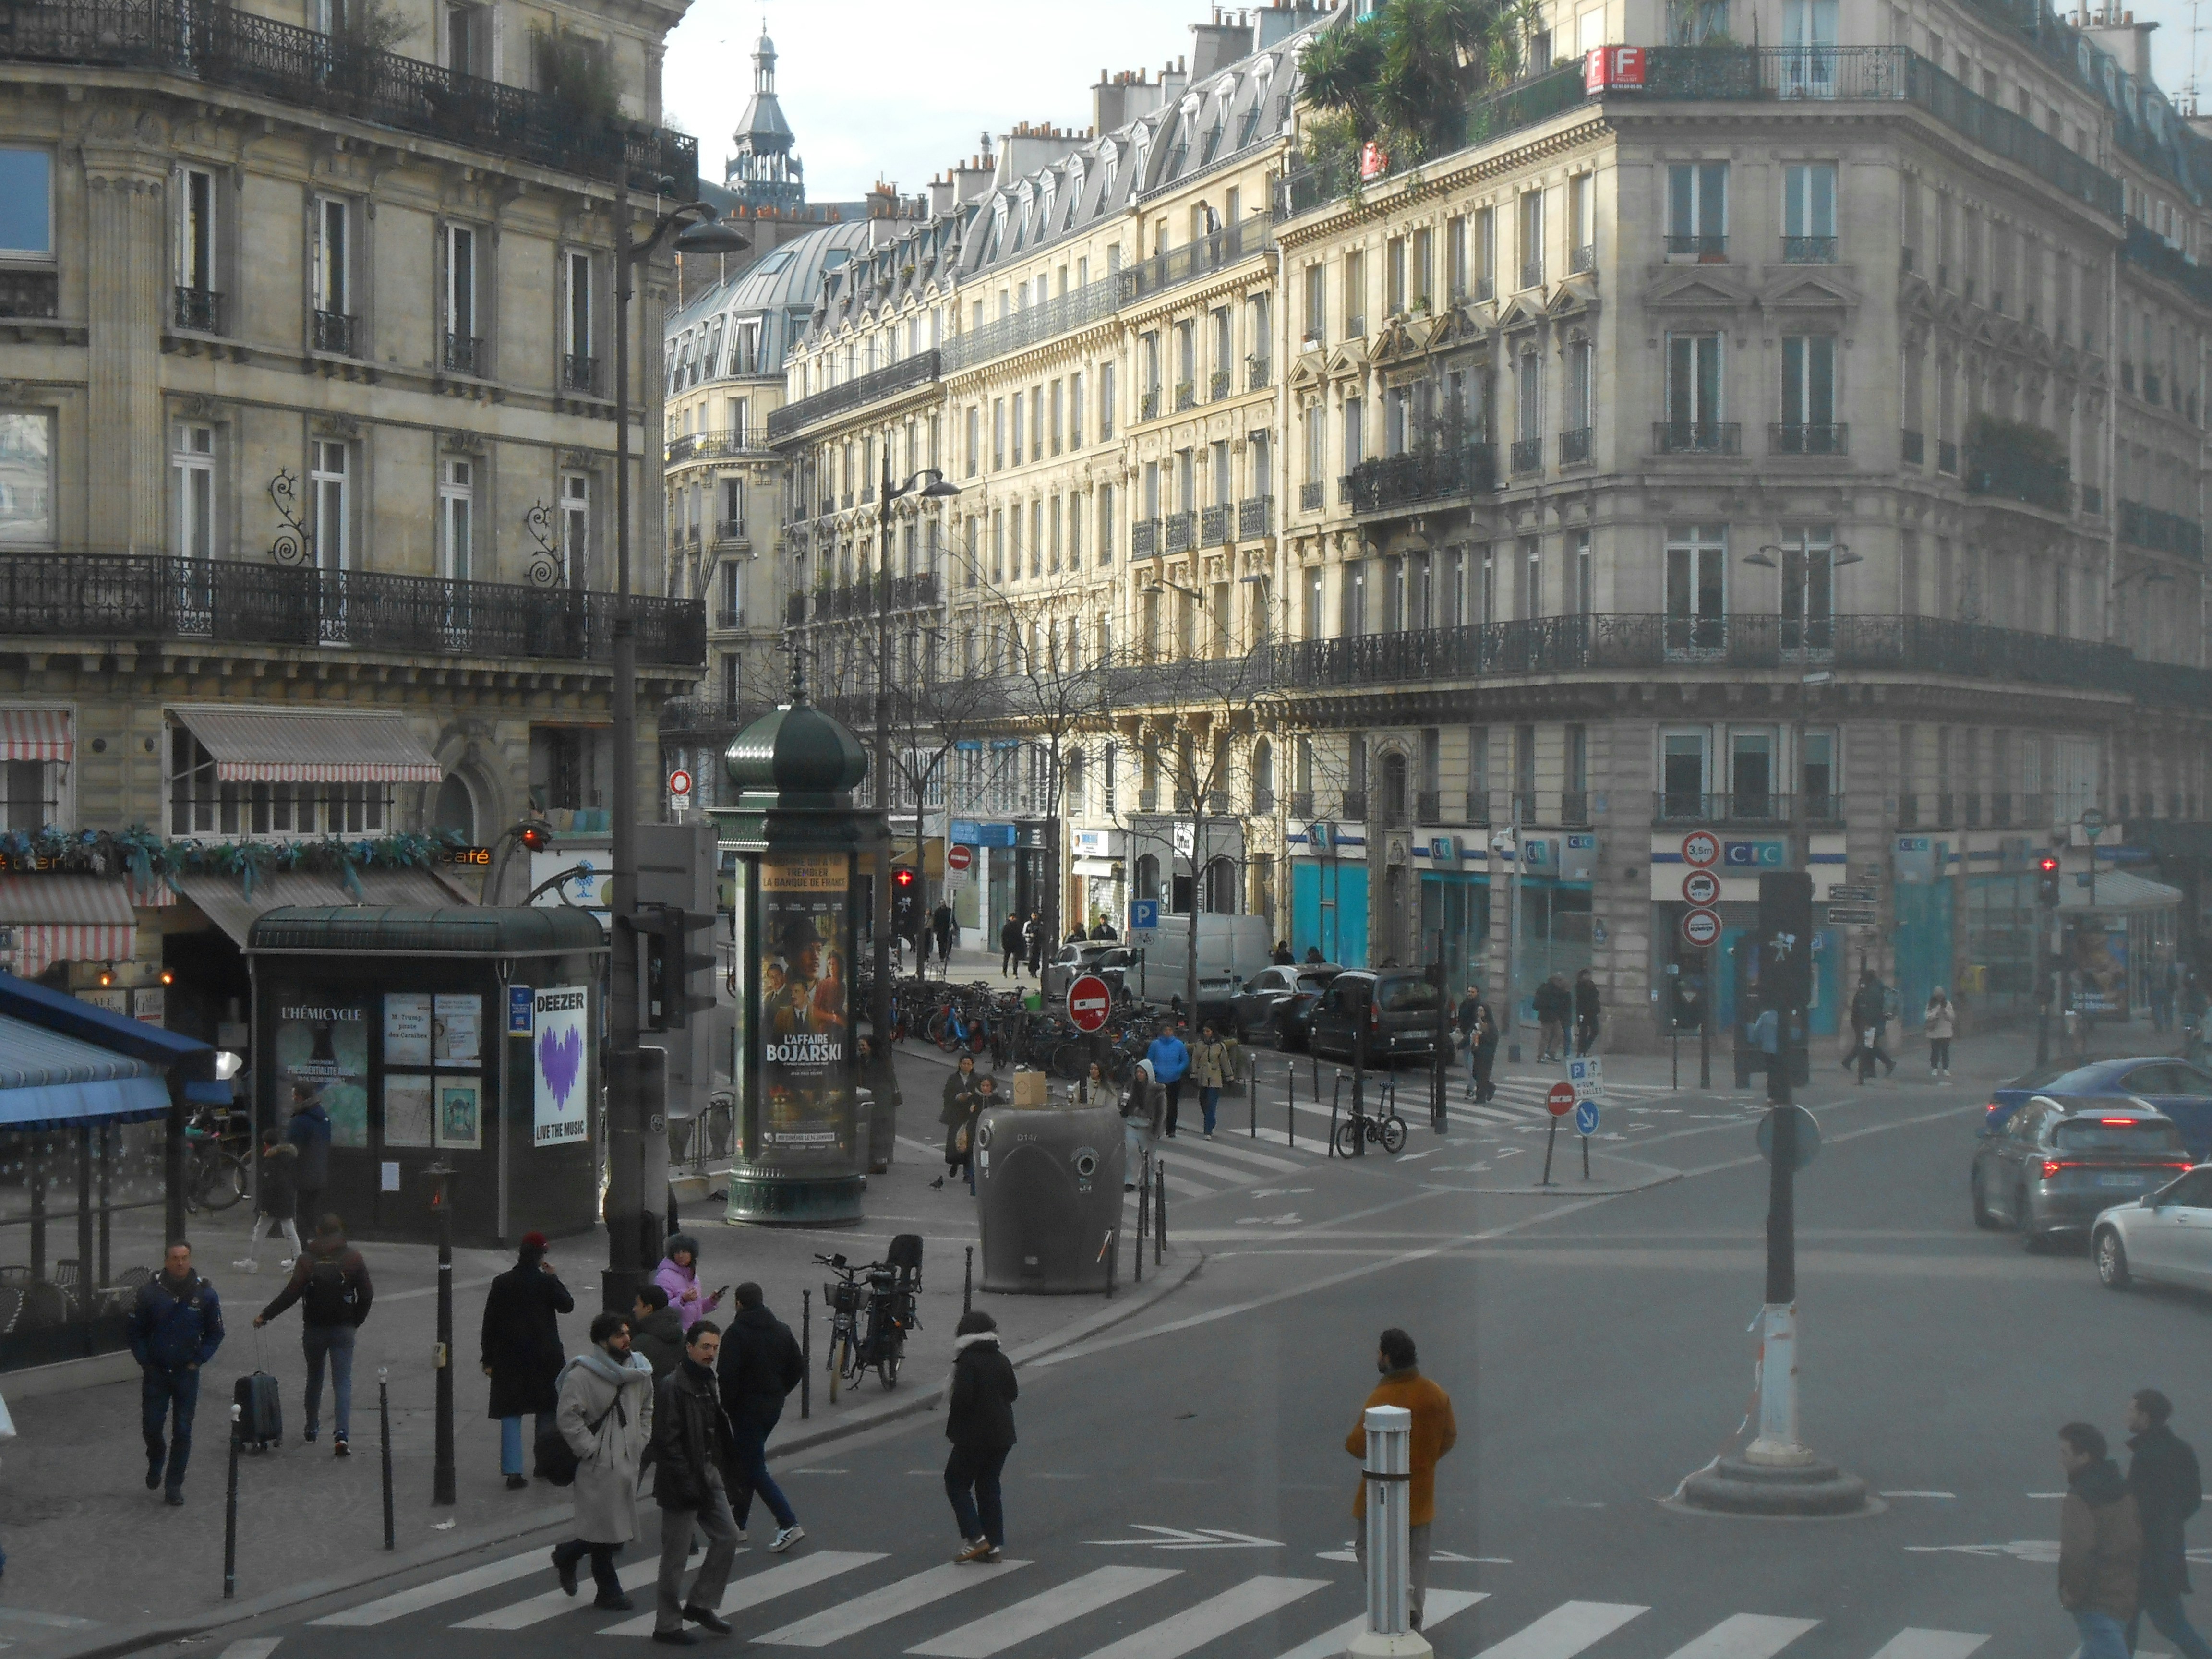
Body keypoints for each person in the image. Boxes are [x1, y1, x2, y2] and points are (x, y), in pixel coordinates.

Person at [1344, 1328, 1456, 1632]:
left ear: (1389, 1358)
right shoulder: (1435, 1394)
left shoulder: (1382, 1397)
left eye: (1380, 1352)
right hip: (1421, 1494)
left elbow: (1356, 1445)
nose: (1377, 1357)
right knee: (1417, 1558)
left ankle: (1391, 1598)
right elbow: (1449, 1437)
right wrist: (1425, 1459)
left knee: (1367, 1547)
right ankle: (1413, 1613)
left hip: (1380, 1493)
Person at [551, 1311, 656, 1611]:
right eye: (618, 1335)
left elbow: (648, 1404)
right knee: (606, 1528)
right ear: (601, 1341)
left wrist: (642, 1437)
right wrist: (590, 1449)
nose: (626, 1340)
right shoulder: (582, 1375)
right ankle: (608, 1590)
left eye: (627, 1333)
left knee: (612, 1527)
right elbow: (568, 1417)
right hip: (599, 1463)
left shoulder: (640, 1370)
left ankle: (568, 1555)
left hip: (628, 1459)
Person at [649, 1321, 744, 1645]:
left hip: (707, 1473)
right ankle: (667, 1624)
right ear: (689, 1347)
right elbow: (667, 1440)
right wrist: (686, 1483)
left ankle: (701, 1603)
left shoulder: (707, 1382)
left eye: (715, 1348)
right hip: (681, 1480)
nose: (711, 1354)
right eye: (706, 1347)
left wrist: (721, 1470)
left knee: (728, 1536)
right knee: (675, 1556)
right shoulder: (672, 1386)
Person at [252, 1212, 373, 1453]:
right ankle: (341, 1435)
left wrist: (266, 1315)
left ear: (318, 1232)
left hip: (315, 1328)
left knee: (315, 1378)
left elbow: (291, 1294)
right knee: (342, 1382)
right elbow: (367, 1295)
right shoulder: (353, 1258)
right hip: (343, 1328)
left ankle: (311, 1427)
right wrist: (355, 1321)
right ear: (340, 1232)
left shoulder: (307, 1260)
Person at [128, 1241, 224, 1506]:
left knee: (182, 1429)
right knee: (151, 1425)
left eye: (184, 1258)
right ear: (167, 1261)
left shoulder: (205, 1295)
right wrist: (145, 1360)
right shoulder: (150, 1293)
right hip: (156, 1372)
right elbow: (135, 1331)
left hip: (186, 1373)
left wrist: (199, 1359)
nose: (180, 1263)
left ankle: (174, 1484)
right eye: (175, 1258)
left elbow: (216, 1333)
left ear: (190, 1260)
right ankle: (156, 1457)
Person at [715, 1283, 805, 1553]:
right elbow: (797, 1367)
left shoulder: (736, 1333)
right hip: (772, 1407)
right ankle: (737, 1525)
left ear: (739, 1303)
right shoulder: (782, 1330)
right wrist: (780, 1392)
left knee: (754, 1468)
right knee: (747, 1463)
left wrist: (729, 1407)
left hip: (745, 1410)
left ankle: (788, 1523)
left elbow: (727, 1377)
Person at [481, 1232, 575, 1490]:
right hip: (545, 1356)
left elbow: (489, 1324)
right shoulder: (546, 1283)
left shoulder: (501, 1283)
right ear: (541, 1256)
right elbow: (568, 1306)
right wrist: (554, 1278)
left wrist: (488, 1358)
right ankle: (543, 1464)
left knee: (511, 1413)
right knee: (546, 1410)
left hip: (509, 1356)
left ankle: (513, 1472)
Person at [2125, 1389, 2212, 1659]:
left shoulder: (2147, 1456)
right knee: (2137, 1621)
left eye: (2132, 1409)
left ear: (2146, 1416)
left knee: (2166, 1622)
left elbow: (2136, 1506)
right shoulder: (2181, 1450)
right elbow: (2192, 1500)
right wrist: (2170, 1521)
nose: (2127, 1414)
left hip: (2147, 1556)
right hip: (2165, 1551)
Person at [2059, 1419, 2142, 1659]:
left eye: (2065, 1452)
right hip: (2123, 1596)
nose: (2061, 1460)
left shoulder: (2079, 1498)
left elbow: (2077, 1553)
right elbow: (2135, 1539)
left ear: (2084, 1456)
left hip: (2095, 1601)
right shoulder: (2122, 1490)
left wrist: (2072, 1596)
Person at [943, 1309, 1017, 1564]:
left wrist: (956, 1427)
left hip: (974, 1436)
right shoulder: (1002, 1359)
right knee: (989, 1485)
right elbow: (1013, 1393)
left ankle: (975, 1537)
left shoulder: (968, 1361)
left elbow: (962, 1399)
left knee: (956, 1482)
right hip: (1004, 1436)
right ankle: (993, 1545)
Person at [233, 1123, 301, 1274]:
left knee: (262, 1230)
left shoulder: (271, 1162)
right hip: (286, 1199)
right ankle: (298, 1259)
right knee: (289, 1230)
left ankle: (253, 1262)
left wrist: (262, 1206)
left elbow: (269, 1186)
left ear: (267, 1144)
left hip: (273, 1203)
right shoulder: (289, 1158)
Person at [285, 1080, 333, 1242]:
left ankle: (302, 1254)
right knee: (312, 1214)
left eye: (293, 1095)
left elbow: (291, 1149)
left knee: (302, 1216)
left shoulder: (300, 1121)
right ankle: (319, 1248)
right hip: (319, 1173)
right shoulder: (322, 1116)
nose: (292, 1098)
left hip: (303, 1175)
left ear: (298, 1097)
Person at [653, 1233, 721, 1334]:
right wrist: (682, 1300)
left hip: (692, 1333)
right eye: (677, 1252)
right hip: (675, 1334)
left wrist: (711, 1301)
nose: (681, 1256)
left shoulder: (693, 1277)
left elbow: (694, 1308)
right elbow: (661, 1310)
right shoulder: (664, 1276)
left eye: (684, 1252)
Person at [935, 1055, 980, 1191]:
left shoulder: (977, 1079)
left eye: (969, 1064)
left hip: (970, 1115)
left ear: (972, 1066)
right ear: (960, 1065)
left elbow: (980, 1095)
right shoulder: (953, 1079)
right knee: (955, 1142)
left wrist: (972, 1098)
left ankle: (967, 1173)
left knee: (969, 1143)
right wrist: (957, 1097)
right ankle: (955, 1162)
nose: (966, 1066)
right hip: (956, 1115)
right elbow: (947, 1094)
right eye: (964, 1063)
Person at [1846, 968, 1898, 1082]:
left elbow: (1870, 1009)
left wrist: (1868, 1023)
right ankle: (1871, 1070)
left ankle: (1888, 1063)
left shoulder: (1872, 990)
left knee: (1870, 1045)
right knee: (1869, 1045)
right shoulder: (1878, 987)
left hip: (1872, 1023)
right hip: (1877, 1022)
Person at [1121, 1059, 1164, 1191]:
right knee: (1131, 1151)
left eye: (1142, 1072)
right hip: (1132, 1123)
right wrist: (1123, 1104)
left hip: (1147, 1127)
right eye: (1137, 1072)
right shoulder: (1131, 1087)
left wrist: (1156, 1129)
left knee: (1147, 1155)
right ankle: (1130, 1180)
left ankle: (1146, 1181)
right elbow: (1122, 1106)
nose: (1139, 1075)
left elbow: (1161, 1112)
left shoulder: (1157, 1091)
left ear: (1148, 1074)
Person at [631, 1285, 687, 1380]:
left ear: (649, 1308)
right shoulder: (684, 1338)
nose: (634, 1309)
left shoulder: (640, 1344)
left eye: (637, 1304)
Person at [1147, 1022, 1191, 1138]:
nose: (1168, 1033)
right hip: (1160, 1079)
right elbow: (1149, 1060)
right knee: (1158, 1106)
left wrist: (1178, 1069)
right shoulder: (1155, 1045)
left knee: (1172, 1105)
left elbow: (1185, 1060)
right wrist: (1156, 1069)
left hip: (1174, 1079)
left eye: (1170, 1030)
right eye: (1166, 1030)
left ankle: (1171, 1129)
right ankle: (1157, 1129)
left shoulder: (1179, 1045)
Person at [1190, 1024, 1229, 1140]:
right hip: (1203, 1077)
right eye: (1204, 1031)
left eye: (1208, 1031)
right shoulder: (1199, 1045)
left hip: (1215, 1077)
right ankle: (1211, 1121)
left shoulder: (1219, 1046)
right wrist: (1194, 1075)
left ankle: (1208, 1131)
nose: (1206, 1033)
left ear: (1213, 1032)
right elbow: (1195, 1060)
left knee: (1211, 1104)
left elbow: (1225, 1062)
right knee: (1203, 1101)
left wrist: (1229, 1077)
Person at [1533, 974, 1571, 1063]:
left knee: (1560, 1034)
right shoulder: (1546, 990)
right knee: (1545, 1037)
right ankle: (1540, 1056)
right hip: (1547, 1017)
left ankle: (1552, 1052)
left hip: (1554, 1017)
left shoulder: (1558, 991)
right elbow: (1543, 1004)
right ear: (1555, 981)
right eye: (1560, 981)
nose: (1561, 983)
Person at [1924, 987, 1957, 1080]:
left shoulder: (1948, 1004)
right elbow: (1927, 1016)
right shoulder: (1931, 1005)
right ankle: (1934, 1067)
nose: (1939, 998)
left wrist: (1945, 1013)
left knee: (1945, 1051)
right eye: (1938, 996)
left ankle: (1946, 1068)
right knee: (1935, 1051)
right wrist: (1936, 1015)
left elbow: (1952, 1016)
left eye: (1941, 996)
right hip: (1934, 1032)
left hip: (1946, 1031)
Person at [1572, 969, 1601, 1057]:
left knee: (1595, 1031)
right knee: (1583, 1032)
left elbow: (1596, 996)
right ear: (1582, 976)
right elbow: (1584, 997)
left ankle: (1585, 1049)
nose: (1588, 977)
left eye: (1589, 975)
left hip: (1593, 1012)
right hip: (1583, 1012)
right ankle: (1581, 1051)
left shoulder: (1592, 985)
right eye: (1586, 975)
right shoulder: (1580, 986)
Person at [999, 914, 1023, 979]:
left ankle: (1015, 973)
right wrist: (1004, 945)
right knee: (1006, 959)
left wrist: (1020, 945)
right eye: (1012, 918)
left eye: (1014, 918)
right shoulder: (1006, 926)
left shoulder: (1018, 926)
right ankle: (1004, 972)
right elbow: (1003, 936)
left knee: (1015, 960)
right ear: (1010, 918)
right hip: (1008, 946)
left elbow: (1020, 936)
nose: (1013, 919)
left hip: (1016, 946)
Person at [933, 901, 956, 965]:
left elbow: (953, 919)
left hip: (947, 930)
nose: (943, 904)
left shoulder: (949, 910)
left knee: (950, 943)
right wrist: (935, 929)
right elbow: (935, 921)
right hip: (940, 930)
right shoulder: (937, 911)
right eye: (942, 903)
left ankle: (947, 954)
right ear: (940, 904)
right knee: (941, 944)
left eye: (944, 902)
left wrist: (956, 927)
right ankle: (942, 957)